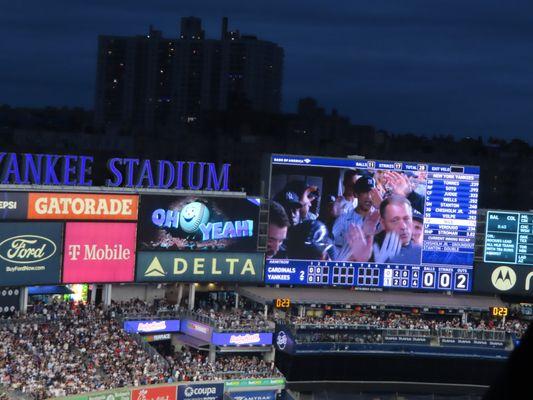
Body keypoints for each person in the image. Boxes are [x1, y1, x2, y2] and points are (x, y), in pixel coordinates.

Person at [332, 176, 382, 254]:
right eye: (365, 192)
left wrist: (382, 206)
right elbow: (334, 249)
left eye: (372, 192)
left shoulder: (382, 217)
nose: (369, 197)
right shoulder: (342, 220)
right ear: (356, 194)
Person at [372, 194, 421, 264]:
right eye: (395, 220)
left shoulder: (420, 253)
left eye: (406, 219)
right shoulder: (369, 249)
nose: (403, 227)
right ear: (383, 223)